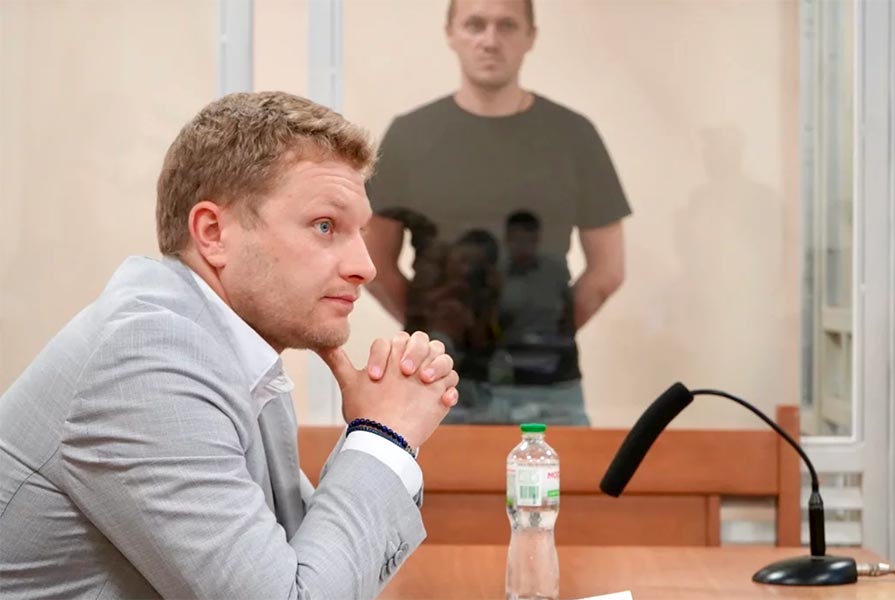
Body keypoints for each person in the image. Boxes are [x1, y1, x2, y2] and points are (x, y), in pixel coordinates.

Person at [0, 92, 460, 599]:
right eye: (325, 226)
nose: (365, 267)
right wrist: (384, 436)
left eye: (361, 232)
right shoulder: (148, 361)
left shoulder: (233, 349)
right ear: (213, 233)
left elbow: (309, 568)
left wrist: (377, 435)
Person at [364, 0, 631, 424]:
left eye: (507, 25)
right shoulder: (410, 136)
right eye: (475, 24)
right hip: (435, 382)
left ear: (531, 37)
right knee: (434, 493)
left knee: (555, 494)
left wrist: (545, 333)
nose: (490, 40)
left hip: (548, 386)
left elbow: (607, 271)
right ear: (450, 33)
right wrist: (432, 328)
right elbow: (373, 262)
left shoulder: (573, 135)